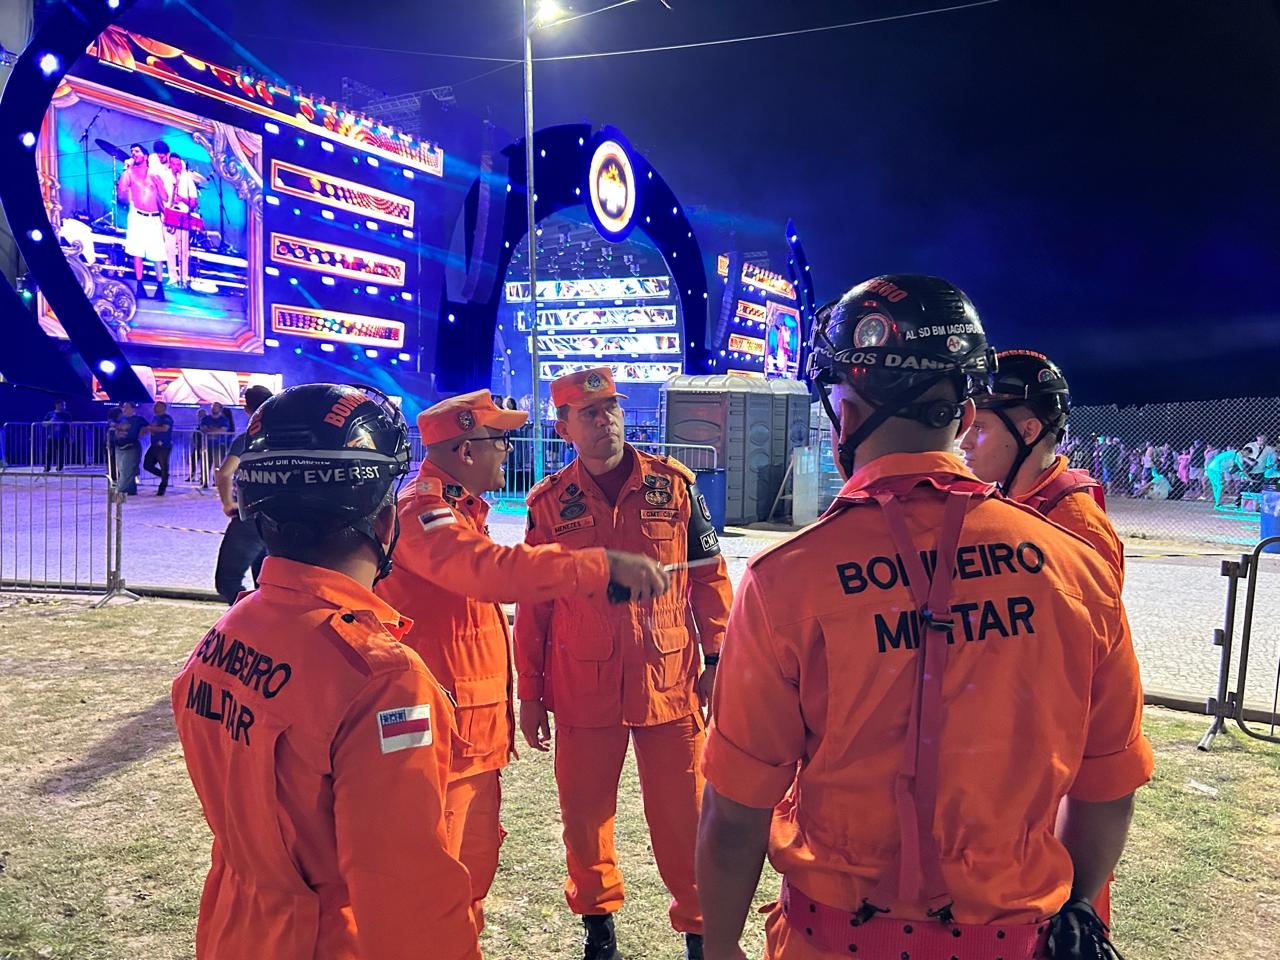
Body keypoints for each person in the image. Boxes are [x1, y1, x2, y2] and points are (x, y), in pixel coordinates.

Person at [696, 275, 1152, 960]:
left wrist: (721, 944)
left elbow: (735, 814)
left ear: (844, 413)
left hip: (832, 942)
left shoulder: (784, 581)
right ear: (965, 418)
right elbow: (1107, 789)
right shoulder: (1077, 568)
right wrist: (1074, 907)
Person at [171, 383, 480, 960]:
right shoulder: (381, 679)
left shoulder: (231, 629)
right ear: (384, 523)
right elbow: (407, 893)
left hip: (235, 929)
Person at [375, 389, 670, 933]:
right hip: (439, 735)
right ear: (467, 450)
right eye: (501, 440)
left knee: (467, 879)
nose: (508, 451)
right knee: (435, 887)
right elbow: (488, 571)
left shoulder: (460, 509)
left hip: (466, 732)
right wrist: (596, 566)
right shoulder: (423, 509)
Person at [515, 366, 734, 960]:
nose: (605, 420)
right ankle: (598, 928)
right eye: (588, 413)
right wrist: (530, 693)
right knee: (584, 817)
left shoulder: (674, 487)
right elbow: (534, 604)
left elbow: (710, 579)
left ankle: (699, 932)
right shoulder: (549, 504)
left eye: (610, 407)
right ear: (563, 427)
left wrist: (718, 658)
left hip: (671, 683)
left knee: (686, 816)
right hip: (581, 686)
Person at [959, 350, 1123, 580]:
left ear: (1029, 431)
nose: (964, 444)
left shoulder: (1075, 525)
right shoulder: (1005, 502)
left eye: (978, 428)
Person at [213, 386, 273, 603]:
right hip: (278, 516)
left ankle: (244, 616)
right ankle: (264, 620)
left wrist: (228, 503)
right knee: (265, 584)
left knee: (227, 580)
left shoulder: (248, 438)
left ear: (247, 409)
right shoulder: (287, 437)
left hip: (250, 515)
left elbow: (224, 474)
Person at [116, 143, 169, 299]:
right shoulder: (128, 173)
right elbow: (121, 195)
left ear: (145, 156)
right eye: (132, 151)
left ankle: (160, 287)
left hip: (154, 218)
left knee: (157, 253)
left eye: (137, 151)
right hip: (137, 216)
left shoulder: (154, 174)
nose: (134, 153)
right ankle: (140, 286)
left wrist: (158, 182)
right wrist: (125, 187)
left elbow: (165, 197)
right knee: (137, 251)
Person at [164, 153, 204, 289]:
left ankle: (184, 278)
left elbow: (193, 203)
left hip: (183, 216)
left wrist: (182, 199)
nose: (177, 167)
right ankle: (172, 278)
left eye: (179, 164)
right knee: (169, 248)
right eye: (174, 164)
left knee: (183, 250)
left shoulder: (187, 178)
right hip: (169, 214)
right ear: (170, 164)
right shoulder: (164, 176)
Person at [111, 401, 148, 496]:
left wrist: (142, 431)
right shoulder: (120, 419)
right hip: (119, 446)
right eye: (123, 407)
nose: (124, 409)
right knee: (122, 469)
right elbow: (112, 425)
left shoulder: (138, 419)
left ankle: (122, 490)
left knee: (127, 469)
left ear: (133, 409)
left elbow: (147, 427)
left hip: (131, 446)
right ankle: (130, 490)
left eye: (127, 407)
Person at [142, 400, 174, 496]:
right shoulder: (155, 418)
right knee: (147, 464)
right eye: (154, 406)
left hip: (164, 446)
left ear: (163, 408)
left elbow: (164, 428)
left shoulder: (167, 418)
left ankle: (162, 487)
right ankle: (163, 475)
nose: (155, 408)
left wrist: (150, 428)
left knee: (163, 465)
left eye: (157, 406)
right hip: (154, 445)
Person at [200, 401, 234, 488]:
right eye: (213, 406)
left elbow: (222, 430)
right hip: (207, 445)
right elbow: (204, 429)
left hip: (219, 445)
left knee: (217, 464)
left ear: (220, 409)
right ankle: (204, 481)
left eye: (216, 407)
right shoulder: (205, 419)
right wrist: (215, 431)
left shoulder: (224, 420)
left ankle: (217, 481)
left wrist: (210, 431)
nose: (213, 408)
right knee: (205, 464)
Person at [42, 399, 70, 472]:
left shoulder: (66, 415)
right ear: (57, 405)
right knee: (49, 453)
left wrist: (71, 436)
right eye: (62, 405)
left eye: (64, 405)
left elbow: (70, 426)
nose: (64, 407)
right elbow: (43, 424)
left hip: (62, 436)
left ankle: (59, 467)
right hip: (51, 436)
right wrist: (51, 421)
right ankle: (47, 467)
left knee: (61, 453)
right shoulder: (50, 414)